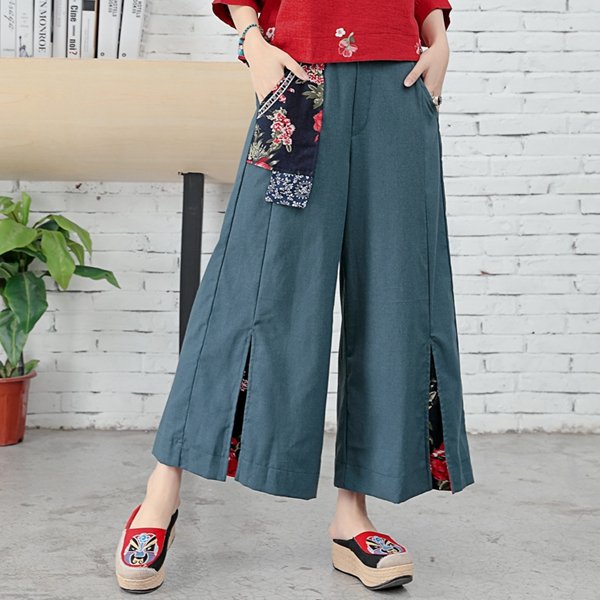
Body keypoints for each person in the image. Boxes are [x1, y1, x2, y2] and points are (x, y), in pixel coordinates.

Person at [114, 0, 475, 593]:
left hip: (399, 88)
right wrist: (252, 41)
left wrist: (438, 39)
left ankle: (352, 517)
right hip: (300, 86)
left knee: (397, 298)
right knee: (250, 289)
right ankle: (161, 494)